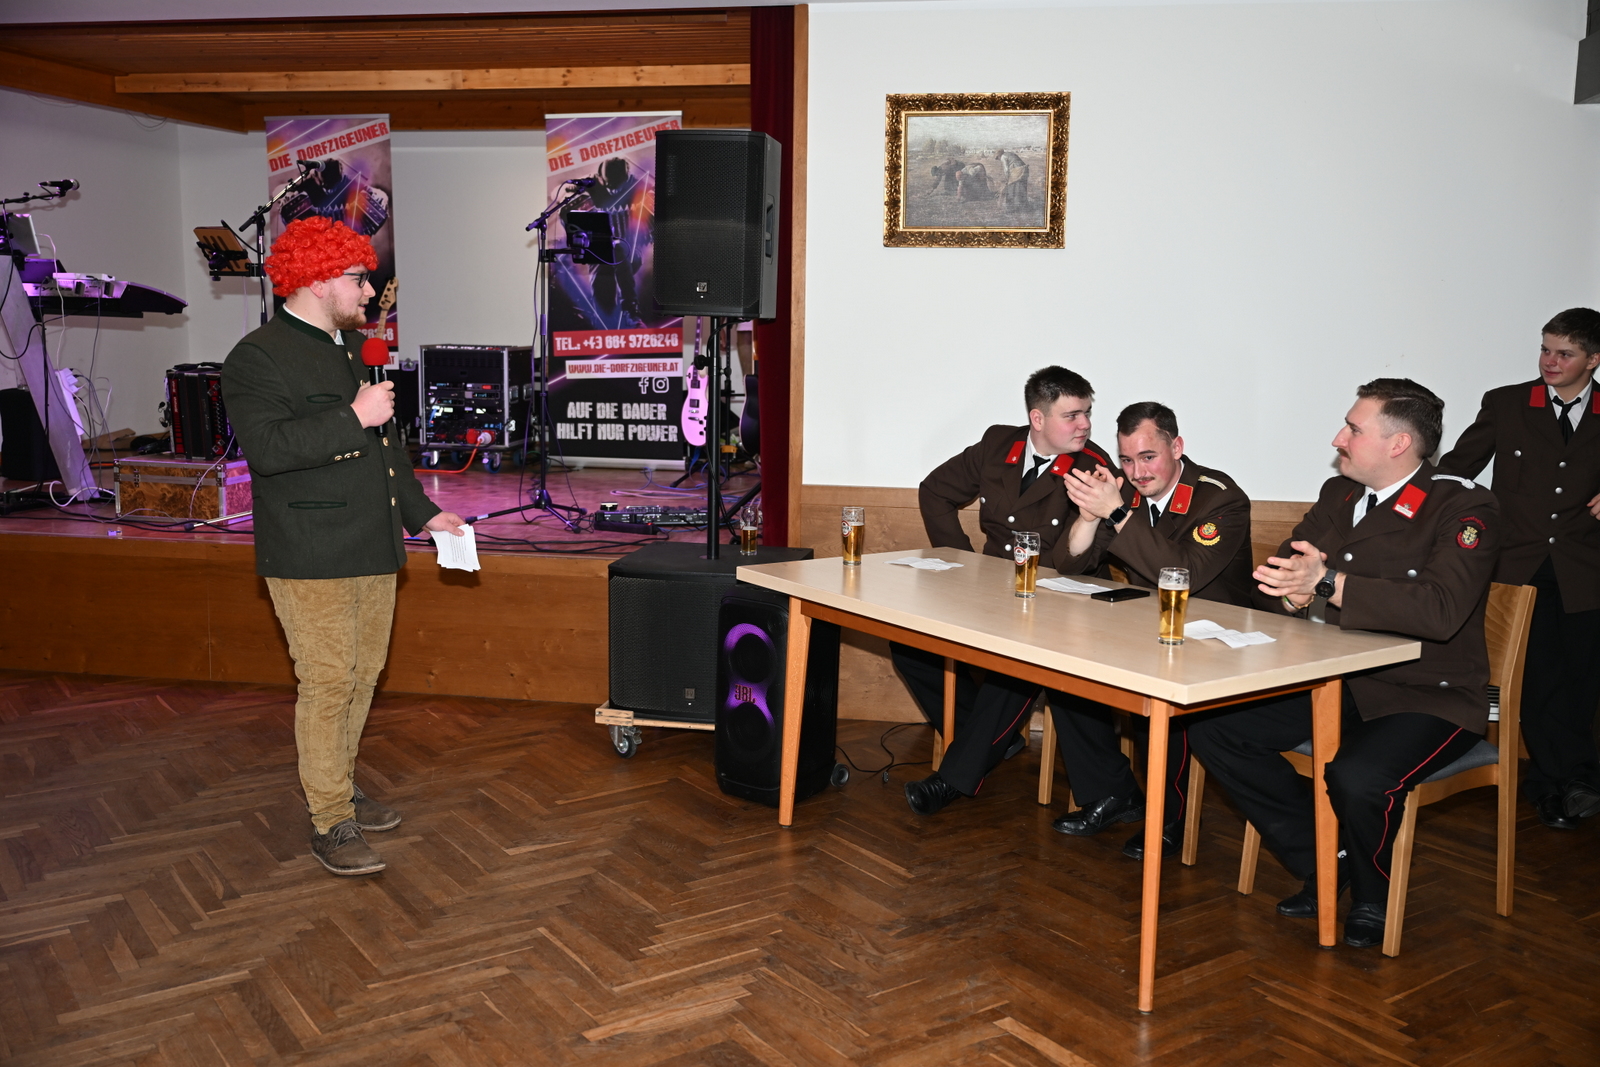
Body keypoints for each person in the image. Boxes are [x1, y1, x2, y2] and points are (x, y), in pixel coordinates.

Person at [1187, 379, 1498, 948]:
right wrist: (1290, 596)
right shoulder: (1340, 495)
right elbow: (1273, 583)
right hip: (1337, 681)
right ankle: (1327, 858)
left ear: (1398, 443)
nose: (1339, 438)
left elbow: (1440, 610)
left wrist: (1327, 582)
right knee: (1214, 727)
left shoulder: (1462, 505)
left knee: (1357, 775)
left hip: (1428, 694)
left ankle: (1372, 896)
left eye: (1354, 429)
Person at [222, 216, 466, 877]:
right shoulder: (257, 356)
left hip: (373, 542)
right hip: (309, 549)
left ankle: (342, 786)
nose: (369, 290)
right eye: (358, 278)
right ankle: (331, 819)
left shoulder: (357, 348)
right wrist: (353, 416)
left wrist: (425, 514)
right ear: (319, 279)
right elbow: (268, 450)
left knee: (362, 676)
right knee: (328, 682)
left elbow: (388, 452)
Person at [895, 366, 1112, 815]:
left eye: (1087, 413)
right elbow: (935, 491)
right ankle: (992, 738)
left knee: (1015, 664)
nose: (1085, 425)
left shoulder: (1094, 468)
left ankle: (953, 778)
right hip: (992, 589)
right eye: (1072, 415)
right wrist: (961, 563)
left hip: (1061, 599)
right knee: (910, 644)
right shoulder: (998, 444)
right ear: (1038, 418)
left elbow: (1079, 560)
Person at [1047, 402, 1255, 859]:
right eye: (1126, 460)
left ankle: (1168, 818)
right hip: (1149, 628)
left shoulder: (1219, 498)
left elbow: (1183, 573)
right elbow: (1072, 564)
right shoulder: (1127, 495)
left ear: (1176, 447)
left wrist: (1117, 512)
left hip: (1216, 639)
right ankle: (1110, 794)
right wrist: (1089, 515)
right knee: (1067, 674)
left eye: (1148, 457)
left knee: (1160, 695)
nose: (1137, 472)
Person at [1436, 309, 1600, 830]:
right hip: (1519, 568)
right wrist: (1410, 505)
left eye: (1565, 354)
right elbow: (1457, 468)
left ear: (1593, 360)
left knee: (1582, 681)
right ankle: (1560, 785)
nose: (1550, 361)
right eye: (1546, 349)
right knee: (1539, 678)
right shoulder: (1507, 402)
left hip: (1585, 570)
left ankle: (1571, 781)